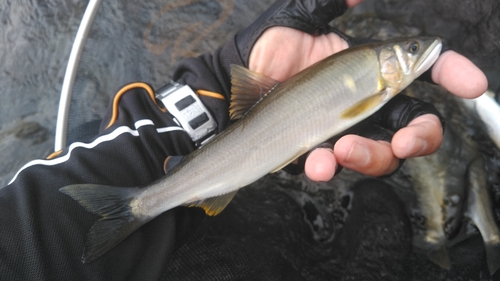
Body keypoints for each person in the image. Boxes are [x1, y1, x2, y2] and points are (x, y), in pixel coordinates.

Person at [0, 0, 487, 279]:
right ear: (389, 64)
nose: (418, 53)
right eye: (411, 51)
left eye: (414, 49)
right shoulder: (379, 81)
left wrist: (209, 91)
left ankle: (142, 200)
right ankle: (138, 203)